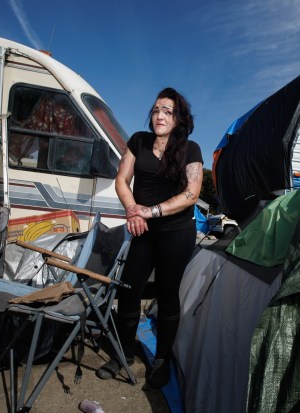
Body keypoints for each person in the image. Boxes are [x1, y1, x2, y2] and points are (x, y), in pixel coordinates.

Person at [95, 88, 203, 389]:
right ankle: (124, 353)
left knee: (168, 295)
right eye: (156, 110)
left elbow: (191, 194)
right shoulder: (138, 141)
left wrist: (148, 212)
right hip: (141, 230)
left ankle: (161, 360)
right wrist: (132, 210)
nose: (160, 115)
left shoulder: (190, 150)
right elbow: (121, 179)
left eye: (168, 111)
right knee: (128, 292)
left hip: (176, 233)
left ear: (178, 117)